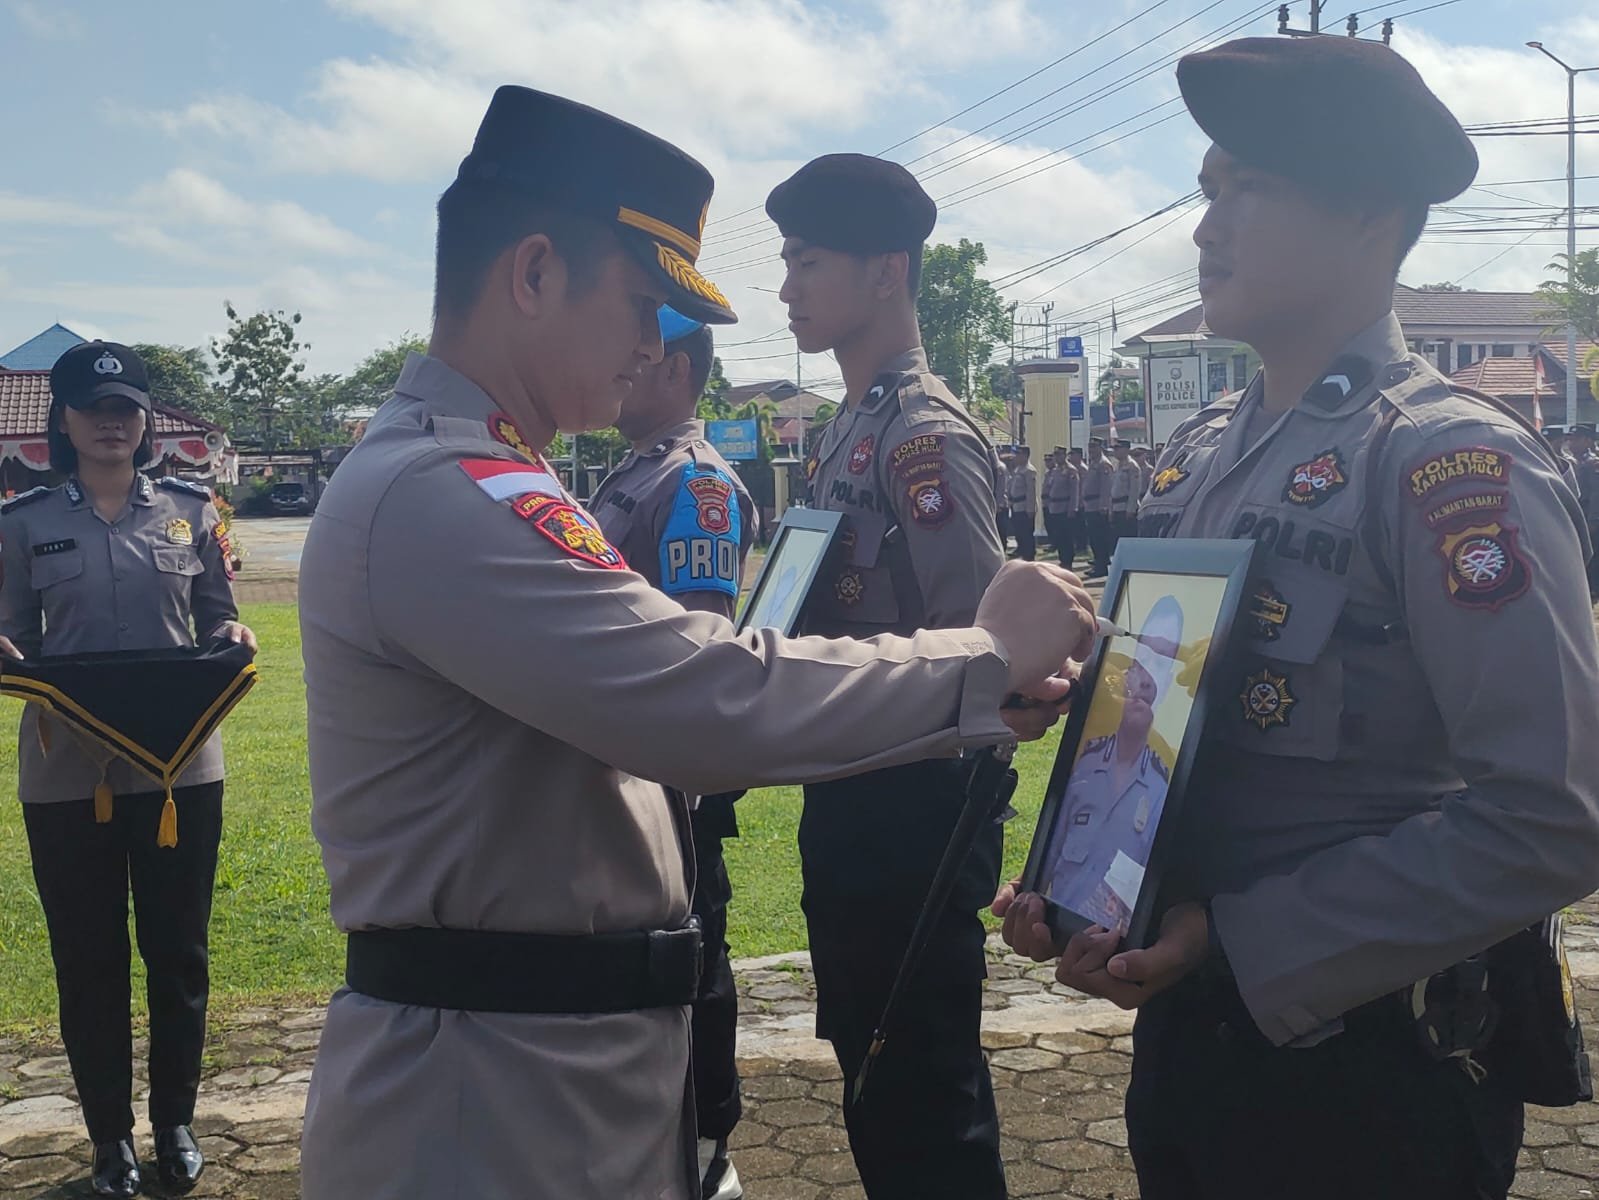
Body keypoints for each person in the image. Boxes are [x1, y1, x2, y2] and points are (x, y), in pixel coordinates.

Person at [296, 88, 1097, 1200]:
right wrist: (980, 656)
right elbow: (699, 696)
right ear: (532, 276)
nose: (652, 345)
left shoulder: (486, 476)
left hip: (548, 1074)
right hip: (493, 1102)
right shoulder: (444, 491)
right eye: (638, 303)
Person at [997, 35, 1599, 1200]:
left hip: (1368, 1079)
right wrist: (1085, 840)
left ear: (1371, 215)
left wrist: (1245, 938)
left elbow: (1552, 817)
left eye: (1249, 190)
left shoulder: (1445, 463)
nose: (1205, 227)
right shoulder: (1202, 460)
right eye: (1208, 190)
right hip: (1190, 1036)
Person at [770, 152, 1011, 1199]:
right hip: (855, 790)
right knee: (873, 1078)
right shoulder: (848, 430)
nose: (786, 287)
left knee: (922, 1101)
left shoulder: (919, 436)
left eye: (807, 261)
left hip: (917, 808)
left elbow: (985, 648)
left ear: (886, 273)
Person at [0, 342, 256, 1199]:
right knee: (88, 957)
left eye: (128, 408)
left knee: (177, 951)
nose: (114, 421)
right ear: (62, 422)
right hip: (67, 771)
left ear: (146, 421)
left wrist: (232, 640)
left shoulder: (191, 509)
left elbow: (218, 616)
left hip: (180, 769)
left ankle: (175, 1119)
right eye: (95, 408)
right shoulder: (21, 522)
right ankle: (110, 1138)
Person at [588, 304, 755, 1200]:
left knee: (692, 968)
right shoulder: (634, 472)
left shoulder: (694, 483)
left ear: (678, 370)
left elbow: (701, 649)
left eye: (638, 352)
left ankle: (703, 1152)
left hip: (669, 792)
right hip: (620, 779)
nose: (619, 362)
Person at [1045, 595, 1183, 934]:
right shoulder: (1082, 766)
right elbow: (1042, 870)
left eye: (1164, 662)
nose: (1150, 676)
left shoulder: (1167, 789)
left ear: (1169, 683)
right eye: (1144, 656)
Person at [1081, 437, 1114, 577]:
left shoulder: (1103, 464)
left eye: (1094, 446)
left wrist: (1104, 506)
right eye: (1090, 446)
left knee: (1099, 538)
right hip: (1090, 506)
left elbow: (1106, 487)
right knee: (1094, 538)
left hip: (1098, 507)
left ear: (1100, 447)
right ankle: (1098, 562)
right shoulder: (1093, 463)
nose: (1091, 450)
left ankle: (1101, 567)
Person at [1044, 446, 1076, 565]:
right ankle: (1062, 559)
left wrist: (1072, 508)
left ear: (1065, 455)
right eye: (1055, 455)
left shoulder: (1070, 470)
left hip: (1065, 507)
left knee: (1066, 537)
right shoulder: (1055, 471)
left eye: (1059, 455)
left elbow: (1074, 491)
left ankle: (1068, 560)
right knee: (1059, 536)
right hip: (1054, 507)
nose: (1057, 457)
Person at [1006, 444, 1038, 561]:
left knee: (1026, 534)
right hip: (1016, 506)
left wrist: (1030, 509)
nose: (1015, 457)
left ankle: (1029, 557)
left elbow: (1031, 491)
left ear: (1025, 456)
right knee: (1019, 533)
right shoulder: (1017, 469)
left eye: (1018, 455)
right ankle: (1023, 553)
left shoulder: (1029, 471)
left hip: (1024, 507)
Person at [1108, 439, 1141, 546]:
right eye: (1115, 449)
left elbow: (1134, 490)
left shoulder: (1132, 466)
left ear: (1126, 450)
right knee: (1118, 539)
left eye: (1118, 449)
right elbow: (1112, 489)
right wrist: (1111, 509)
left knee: (1128, 538)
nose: (1115, 451)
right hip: (1117, 507)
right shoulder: (1117, 466)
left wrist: (1130, 509)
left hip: (1126, 508)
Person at [1065, 446, 1088, 569]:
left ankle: (1082, 545)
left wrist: (1080, 501)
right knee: (1076, 526)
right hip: (1077, 501)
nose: (1070, 457)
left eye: (1073, 455)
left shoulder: (1083, 469)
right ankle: (1079, 545)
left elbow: (1083, 487)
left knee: (1081, 526)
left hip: (1082, 501)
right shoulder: (1074, 469)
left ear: (1079, 455)